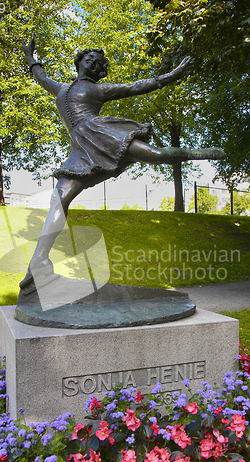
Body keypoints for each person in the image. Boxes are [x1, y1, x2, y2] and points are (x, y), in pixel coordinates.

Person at [20, 36, 224, 294]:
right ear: (79, 61)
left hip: (104, 135)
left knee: (157, 155)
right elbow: (41, 77)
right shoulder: (61, 88)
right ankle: (38, 264)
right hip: (80, 149)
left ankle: (196, 153)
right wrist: (31, 58)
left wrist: (171, 76)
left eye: (98, 64)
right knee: (59, 199)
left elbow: (133, 87)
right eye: (89, 59)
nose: (93, 63)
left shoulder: (98, 90)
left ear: (100, 72)